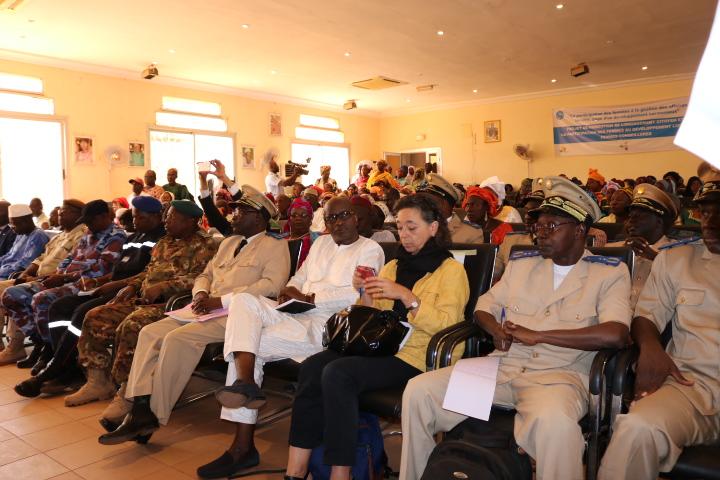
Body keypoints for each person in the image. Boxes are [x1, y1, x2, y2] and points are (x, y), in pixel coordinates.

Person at [400, 176, 632, 480]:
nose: (541, 234)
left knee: (556, 427)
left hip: (558, 377)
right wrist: (495, 330)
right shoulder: (523, 265)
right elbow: (484, 306)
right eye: (538, 226)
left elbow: (616, 334)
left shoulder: (609, 273)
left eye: (552, 226)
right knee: (419, 391)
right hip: (502, 369)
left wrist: (538, 336)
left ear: (579, 230)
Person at [284, 194, 470, 480]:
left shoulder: (451, 271)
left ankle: (340, 473)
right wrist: (365, 292)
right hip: (382, 345)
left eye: (412, 227)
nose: (404, 235)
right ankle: (295, 470)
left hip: (417, 354)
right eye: (401, 228)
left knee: (338, 373)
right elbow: (370, 316)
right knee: (311, 367)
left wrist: (408, 297)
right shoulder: (394, 266)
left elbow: (447, 324)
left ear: (433, 227)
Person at [198, 196, 385, 479]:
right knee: (243, 302)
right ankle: (246, 383)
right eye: (331, 218)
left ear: (356, 218)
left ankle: (242, 446)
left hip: (327, 324)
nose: (338, 223)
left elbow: (356, 295)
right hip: (295, 313)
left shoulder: (370, 249)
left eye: (344, 216)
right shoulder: (321, 243)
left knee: (246, 346)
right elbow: (298, 278)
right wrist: (289, 290)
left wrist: (309, 298)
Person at [97, 186, 290, 441]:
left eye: (240, 212)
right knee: (150, 332)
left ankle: (153, 415)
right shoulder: (230, 242)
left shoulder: (275, 246)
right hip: (204, 308)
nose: (233, 215)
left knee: (177, 339)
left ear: (257, 217)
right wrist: (200, 294)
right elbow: (206, 274)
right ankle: (140, 405)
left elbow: (272, 286)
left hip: (237, 315)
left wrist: (221, 301)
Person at [598, 161, 720, 480]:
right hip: (693, 386)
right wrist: (651, 347)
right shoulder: (676, 259)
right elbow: (647, 315)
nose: (710, 222)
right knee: (636, 428)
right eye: (706, 212)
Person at [64, 200, 217, 407]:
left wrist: (164, 286)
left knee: (132, 325)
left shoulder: (206, 245)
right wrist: (132, 285)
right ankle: (98, 382)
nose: (166, 220)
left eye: (171, 217)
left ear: (190, 221)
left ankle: (128, 391)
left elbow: (202, 278)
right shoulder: (165, 241)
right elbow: (148, 272)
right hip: (144, 300)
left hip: (174, 306)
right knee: (95, 316)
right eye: (166, 215)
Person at [13, 196, 166, 398]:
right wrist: (98, 281)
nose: (134, 221)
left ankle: (56, 370)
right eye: (134, 216)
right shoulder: (134, 238)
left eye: (140, 217)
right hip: (110, 286)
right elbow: (116, 271)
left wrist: (110, 284)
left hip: (129, 291)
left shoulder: (161, 240)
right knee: (59, 307)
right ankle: (68, 366)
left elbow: (145, 275)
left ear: (155, 216)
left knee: (81, 313)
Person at [0, 200, 127, 372]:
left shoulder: (115, 236)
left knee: (40, 299)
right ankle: (40, 341)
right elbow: (69, 258)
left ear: (104, 217)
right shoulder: (89, 233)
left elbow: (100, 270)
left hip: (85, 284)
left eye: (90, 220)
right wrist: (57, 274)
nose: (87, 224)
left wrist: (64, 278)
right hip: (64, 279)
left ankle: (50, 351)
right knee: (11, 295)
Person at [606, 184, 677, 308]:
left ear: (659, 221)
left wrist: (655, 258)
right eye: (631, 215)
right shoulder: (611, 250)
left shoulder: (678, 252)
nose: (631, 220)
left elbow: (683, 282)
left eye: (639, 215)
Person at [418, 173, 484, 244]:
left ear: (443, 204)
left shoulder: (471, 233)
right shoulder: (418, 228)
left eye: (429, 201)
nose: (423, 205)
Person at [0, 204, 49, 280]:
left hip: (12, 276)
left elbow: (24, 265)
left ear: (25, 221)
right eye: (10, 223)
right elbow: (9, 255)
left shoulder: (38, 236)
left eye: (13, 223)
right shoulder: (21, 234)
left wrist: (2, 271)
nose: (11, 227)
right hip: (4, 271)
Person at [198, 159, 242, 237]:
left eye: (242, 213)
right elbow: (213, 214)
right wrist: (203, 179)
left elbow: (242, 202)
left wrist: (224, 177)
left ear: (257, 219)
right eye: (235, 212)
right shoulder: (232, 231)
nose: (234, 216)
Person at [283, 197, 320, 267]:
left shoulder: (315, 242)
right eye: (294, 215)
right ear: (289, 220)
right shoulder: (282, 240)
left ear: (310, 219)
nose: (298, 218)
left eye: (303, 215)